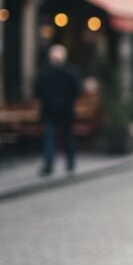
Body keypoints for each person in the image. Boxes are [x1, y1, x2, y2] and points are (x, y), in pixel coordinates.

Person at [33, 44, 82, 175]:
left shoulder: (44, 72)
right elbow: (77, 91)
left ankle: (49, 165)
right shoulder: (71, 72)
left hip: (49, 110)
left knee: (50, 138)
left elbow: (37, 91)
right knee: (68, 137)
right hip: (66, 110)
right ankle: (70, 164)